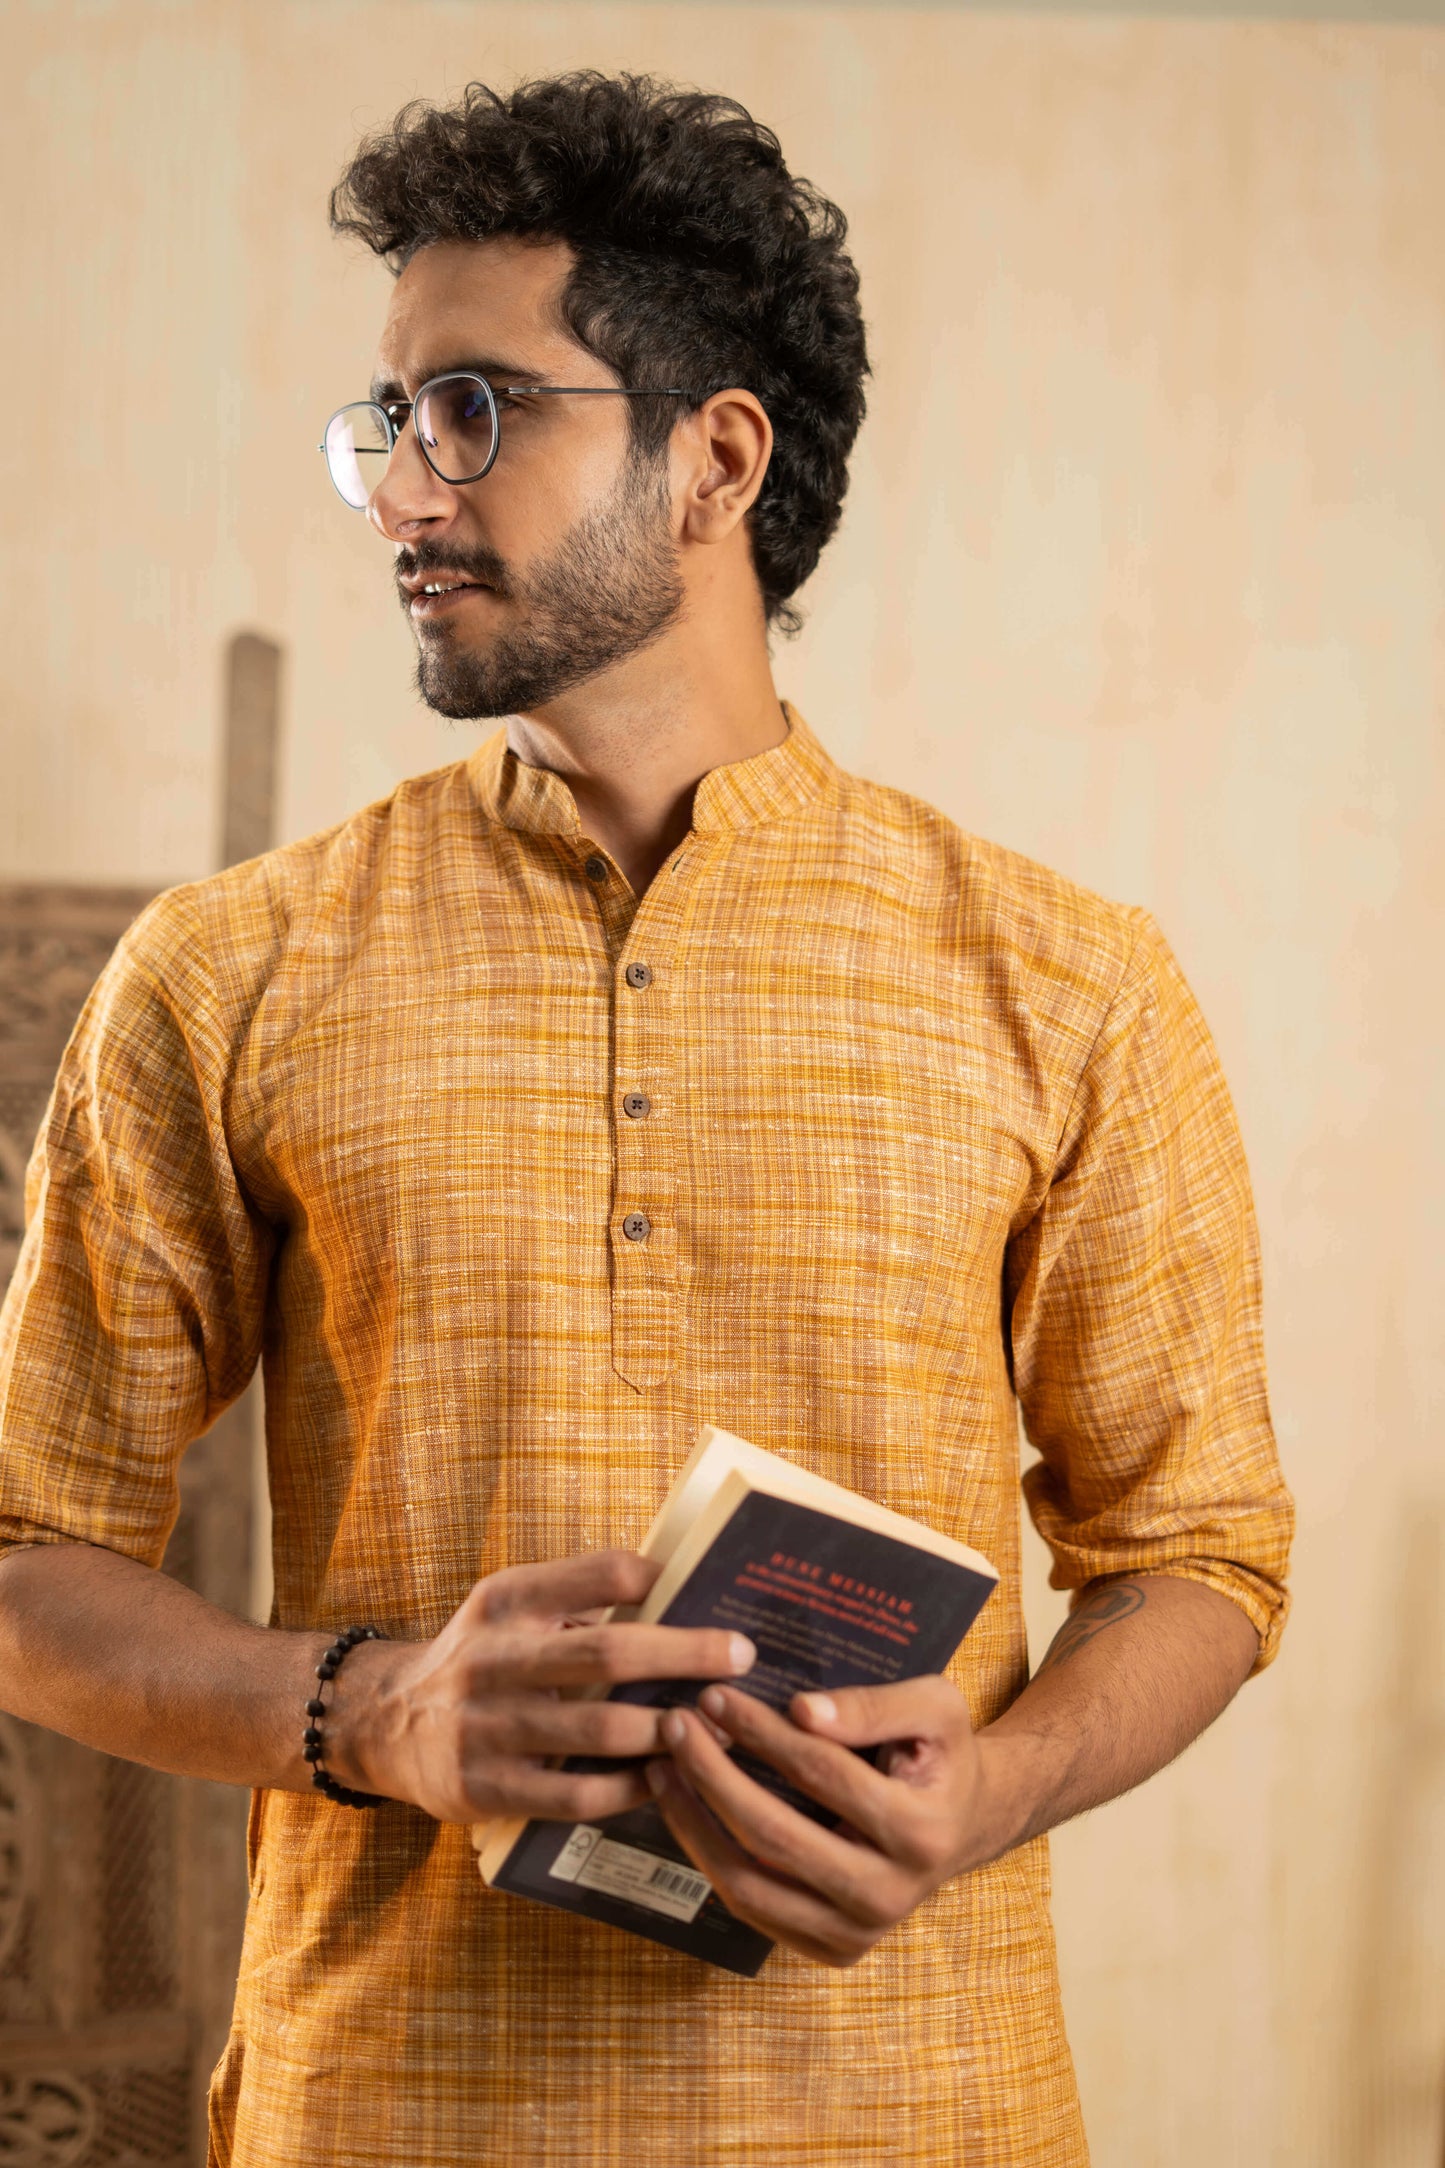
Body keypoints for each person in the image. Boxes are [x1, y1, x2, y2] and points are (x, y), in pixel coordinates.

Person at [0, 72, 1292, 2168]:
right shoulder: (232, 969)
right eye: (387, 424)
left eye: (476, 410)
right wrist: (371, 1711)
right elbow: (22, 1552)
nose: (406, 486)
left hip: (917, 2113)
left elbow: (1200, 1554)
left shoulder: (1067, 981)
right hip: (384, 2110)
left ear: (715, 460)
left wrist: (995, 1782)